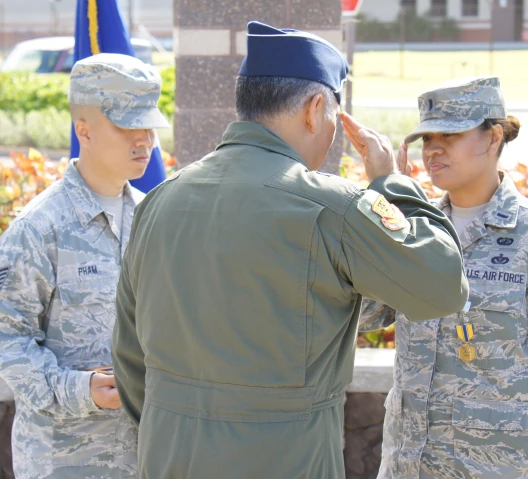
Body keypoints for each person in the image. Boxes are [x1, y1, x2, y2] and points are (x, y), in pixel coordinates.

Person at [111, 21, 469, 478]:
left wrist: (179, 421)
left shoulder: (161, 200)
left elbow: (128, 353)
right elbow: (443, 285)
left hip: (171, 455)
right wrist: (392, 184)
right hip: (285, 459)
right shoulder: (334, 206)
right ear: (315, 108)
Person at [360, 76, 528, 479]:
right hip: (409, 467)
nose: (434, 149)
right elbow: (367, 316)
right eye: (427, 138)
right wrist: (384, 205)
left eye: (451, 133)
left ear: (493, 137)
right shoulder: (416, 229)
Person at [0, 53, 169, 479]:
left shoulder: (153, 220)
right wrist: (79, 391)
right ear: (83, 130)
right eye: (126, 126)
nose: (144, 141)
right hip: (65, 460)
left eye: (149, 126)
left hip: (144, 456)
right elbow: (2, 333)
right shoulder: (40, 228)